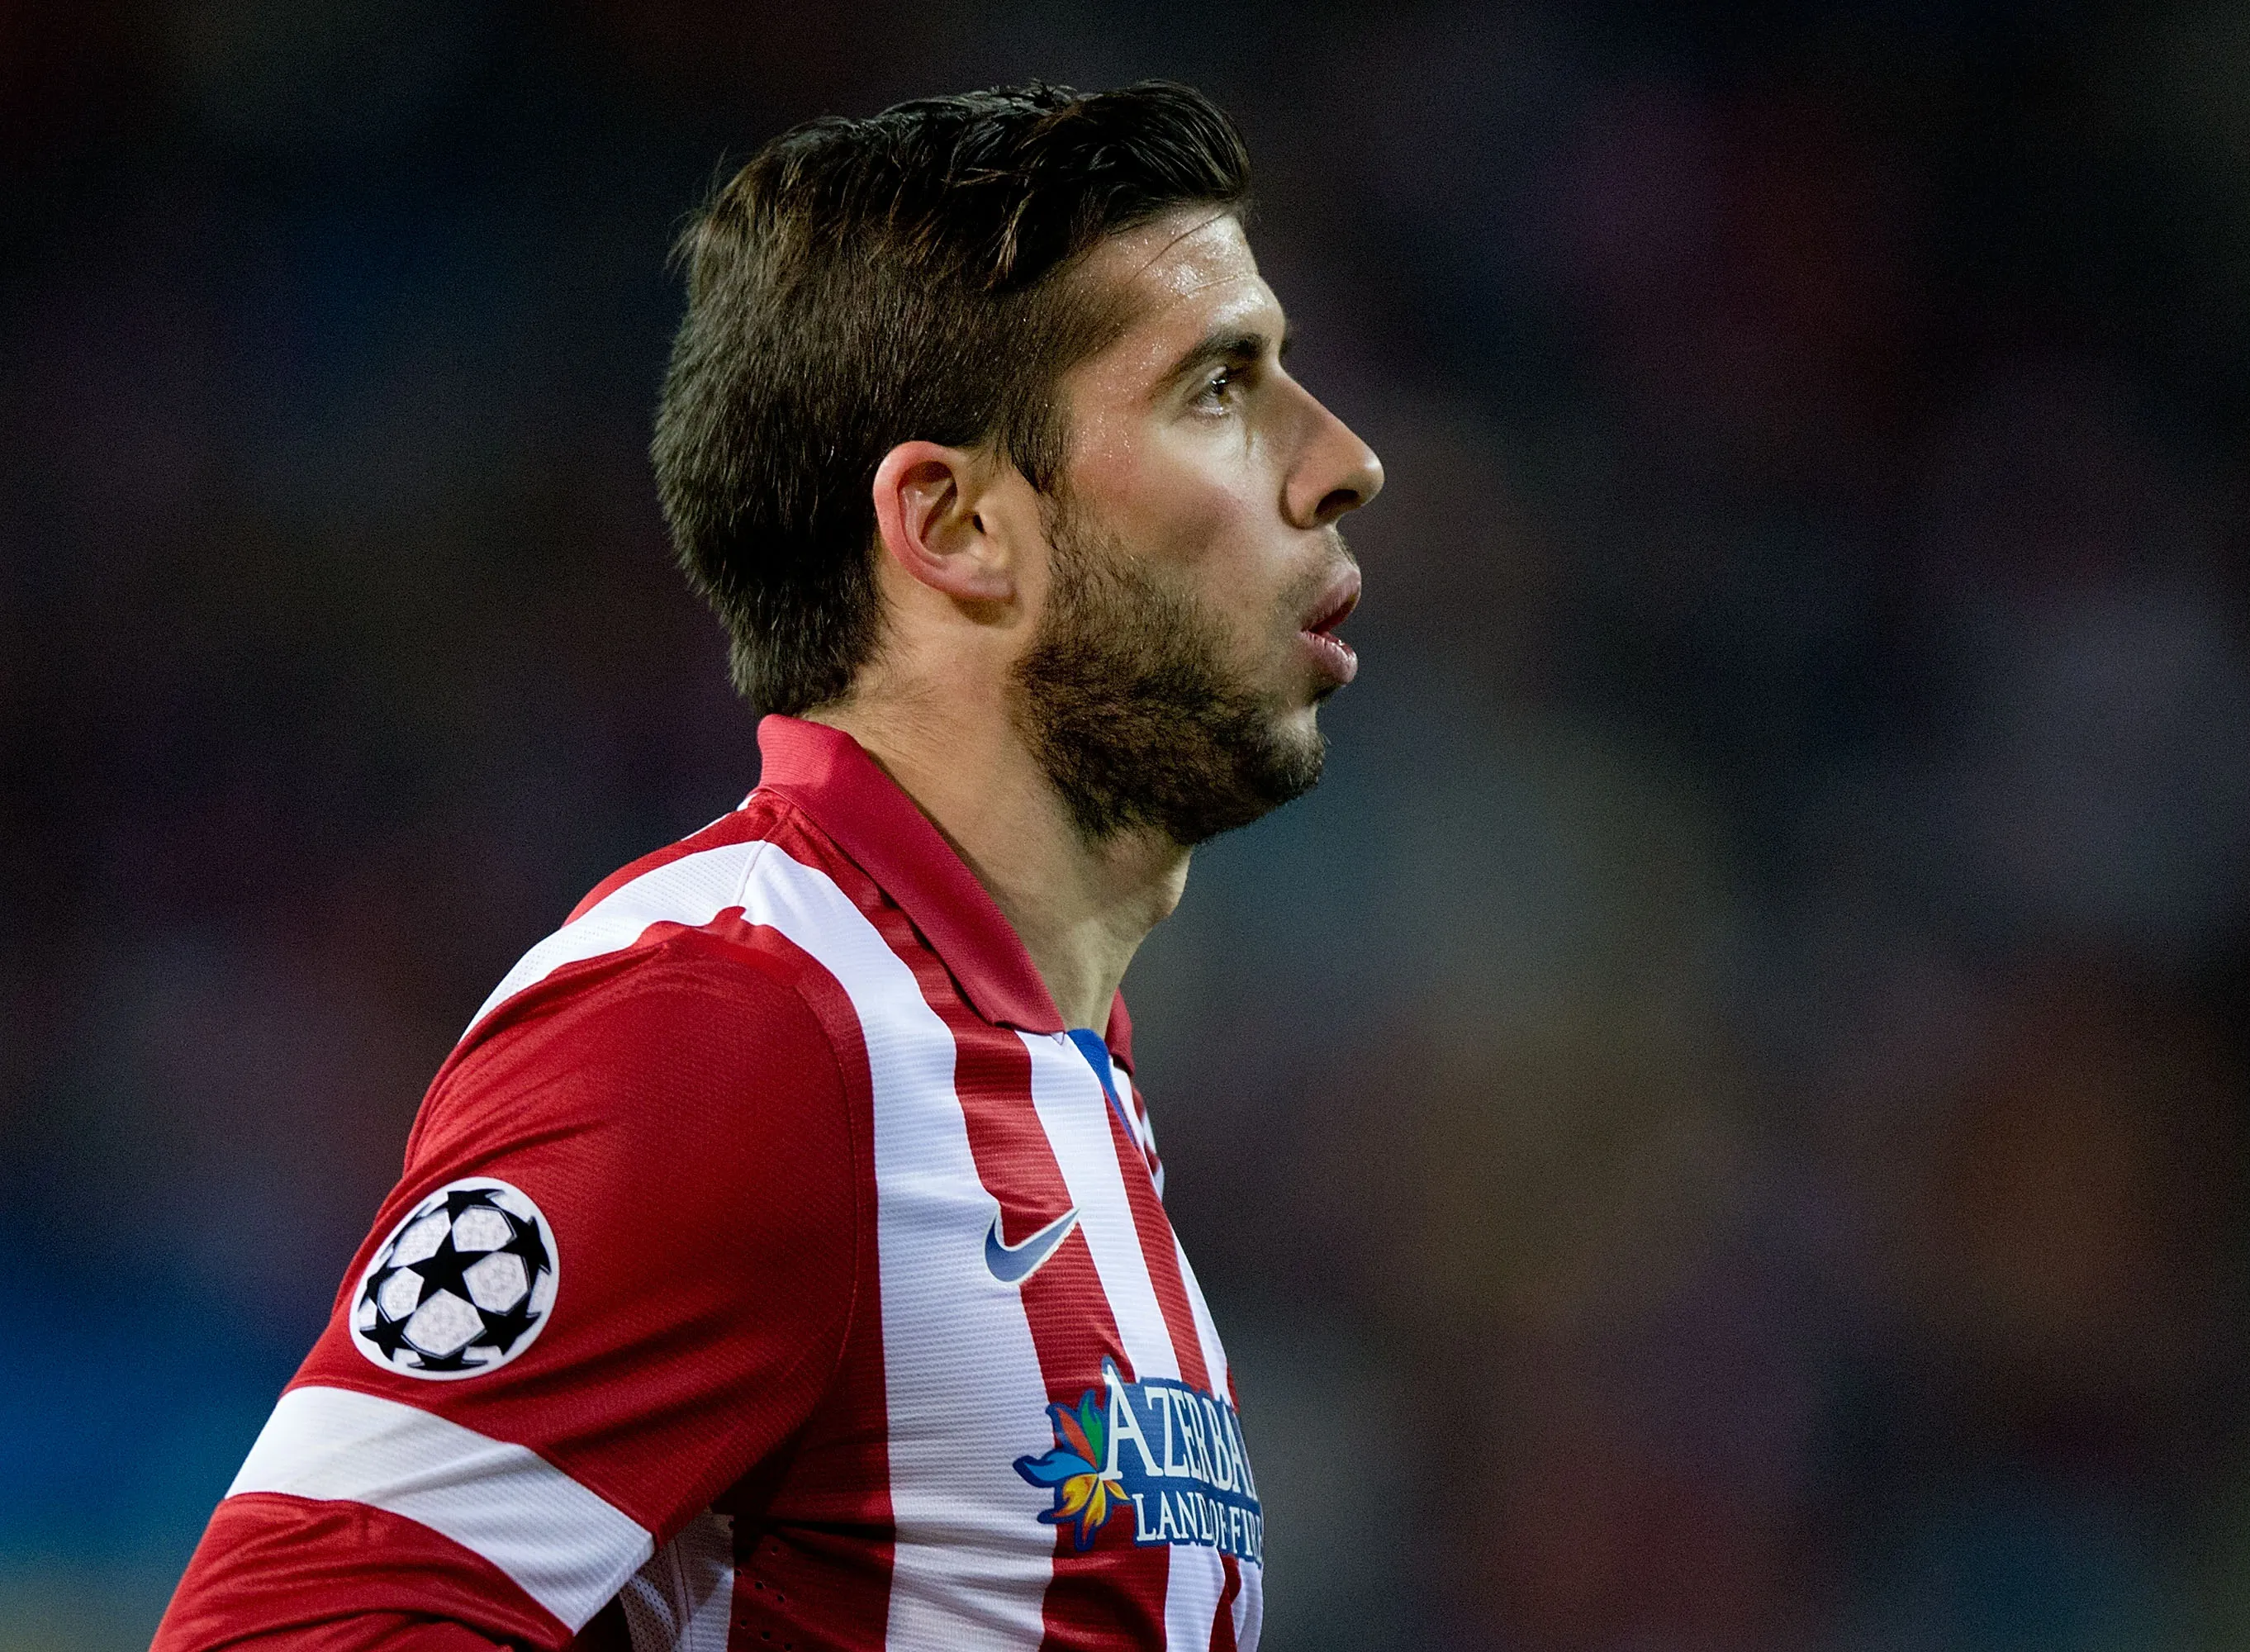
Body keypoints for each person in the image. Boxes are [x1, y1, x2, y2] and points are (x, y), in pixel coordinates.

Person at [154, 80, 1380, 1652]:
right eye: (1220, 386)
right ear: (953, 522)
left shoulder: (1045, 1072)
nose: (1341, 460)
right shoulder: (739, 1024)